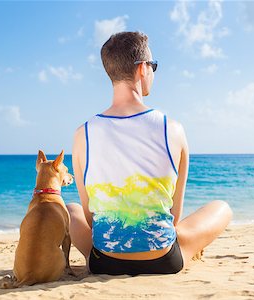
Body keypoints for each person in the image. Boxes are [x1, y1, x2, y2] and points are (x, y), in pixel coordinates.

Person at [67, 31, 232, 276]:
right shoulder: (173, 129)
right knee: (222, 208)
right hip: (164, 259)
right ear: (142, 68)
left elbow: (91, 220)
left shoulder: (83, 134)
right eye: (153, 66)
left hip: (104, 261)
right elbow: (174, 219)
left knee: (70, 209)